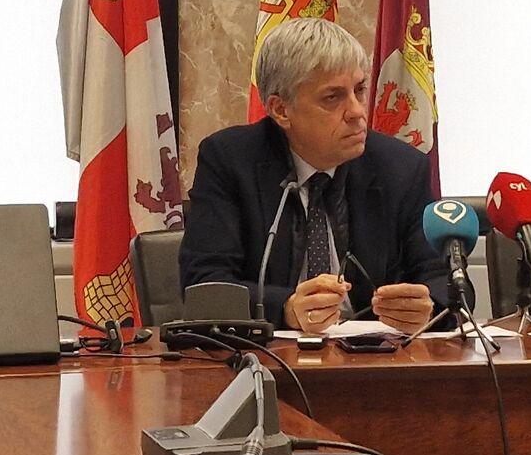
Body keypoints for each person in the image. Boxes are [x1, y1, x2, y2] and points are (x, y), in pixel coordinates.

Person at [179, 17, 447, 335]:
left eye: (359, 90)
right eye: (332, 97)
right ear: (281, 110)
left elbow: (446, 279)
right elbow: (206, 283)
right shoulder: (230, 161)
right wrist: (286, 308)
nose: (357, 111)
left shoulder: (401, 168)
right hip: (270, 364)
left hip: (376, 363)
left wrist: (428, 306)